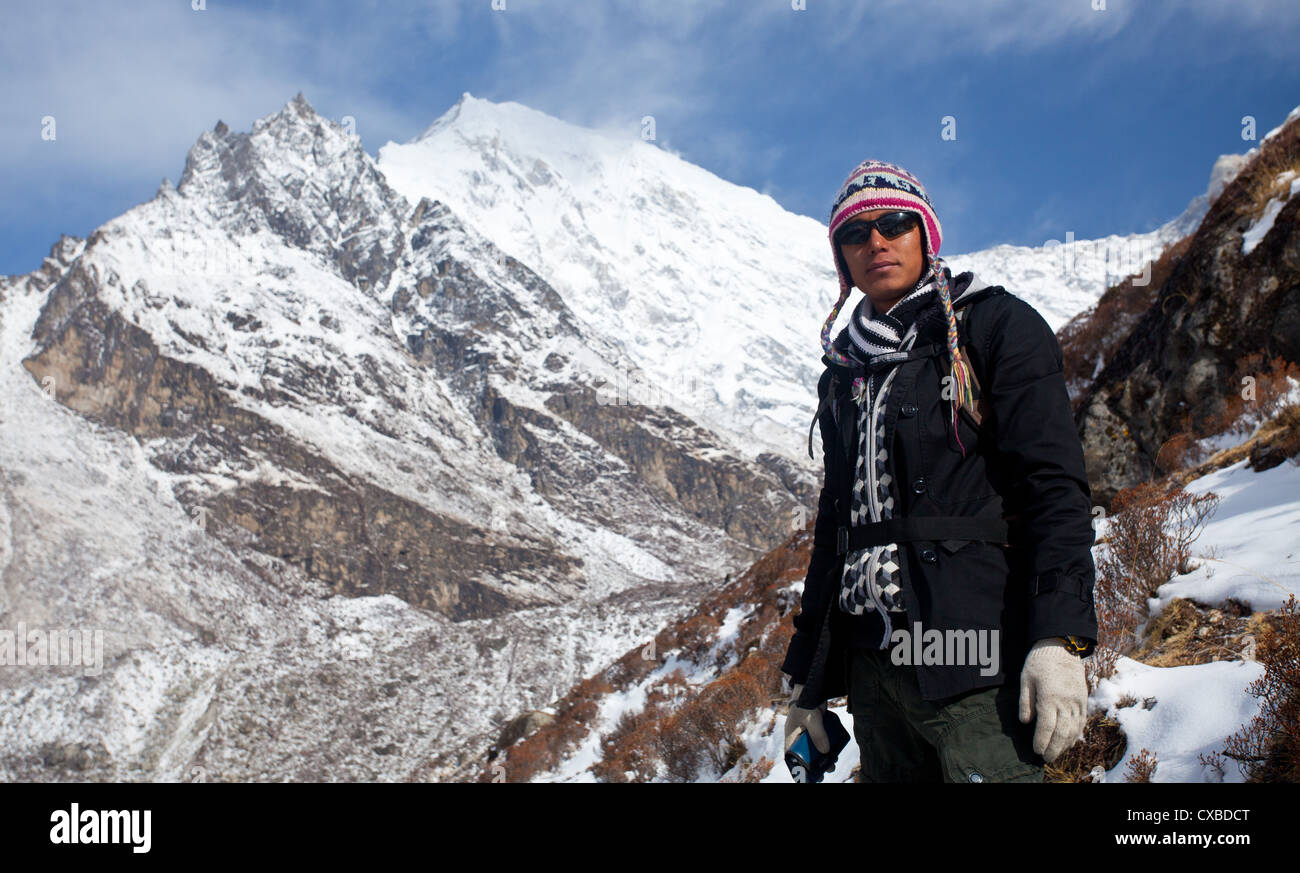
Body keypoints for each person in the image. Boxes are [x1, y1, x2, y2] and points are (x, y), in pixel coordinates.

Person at [780, 159, 1099, 783]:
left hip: (976, 660)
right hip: (874, 670)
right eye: (855, 233)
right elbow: (836, 533)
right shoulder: (843, 371)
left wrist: (1060, 639)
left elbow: (1053, 487)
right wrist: (807, 680)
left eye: (894, 222)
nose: (876, 241)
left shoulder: (995, 326)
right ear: (841, 257)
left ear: (926, 231)